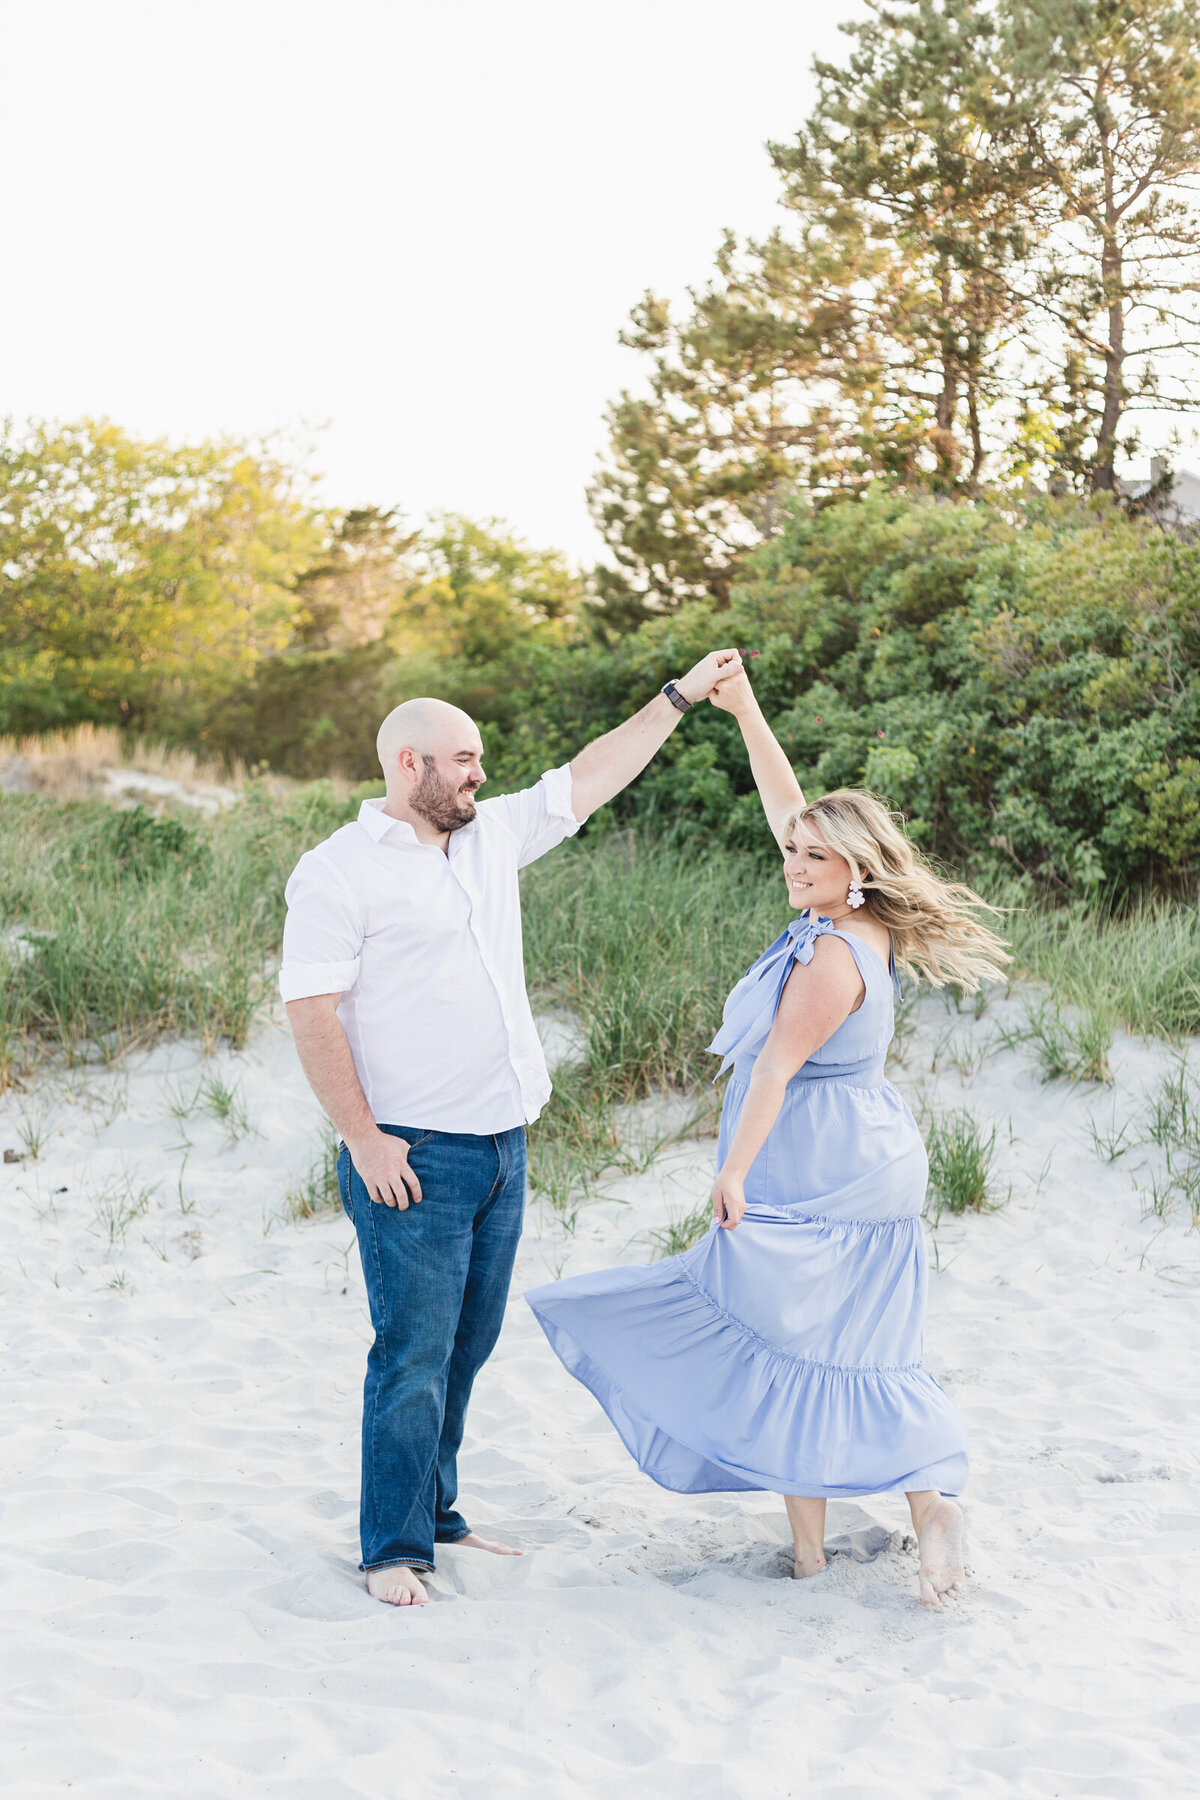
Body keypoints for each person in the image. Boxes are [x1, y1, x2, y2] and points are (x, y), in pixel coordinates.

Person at [526, 667, 1009, 1607]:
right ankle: (870, 1530)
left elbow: (778, 1069)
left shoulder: (831, 954)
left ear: (854, 871)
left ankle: (883, 1521)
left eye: (811, 860)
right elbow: (791, 808)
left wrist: (734, 1171)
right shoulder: (856, 919)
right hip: (865, 1153)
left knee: (797, 1345)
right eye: (792, 853)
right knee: (838, 1349)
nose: (793, 864)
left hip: (819, 1161)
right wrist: (745, 712)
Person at [280, 650, 745, 1607]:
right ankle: (393, 1549)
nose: (480, 773)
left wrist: (680, 695)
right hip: (411, 1154)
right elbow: (311, 1011)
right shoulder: (337, 873)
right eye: (464, 758)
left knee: (467, 1344)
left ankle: (438, 1511)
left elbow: (592, 775)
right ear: (409, 766)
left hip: (503, 1147)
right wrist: (364, 1140)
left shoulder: (489, 838)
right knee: (409, 1353)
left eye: (481, 758)